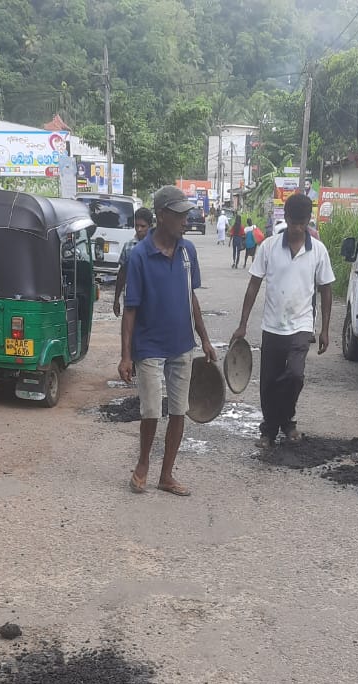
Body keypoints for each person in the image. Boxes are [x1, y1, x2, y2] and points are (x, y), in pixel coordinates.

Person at [119, 184, 217, 497]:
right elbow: (130, 309)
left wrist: (205, 339)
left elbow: (191, 297)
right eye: (180, 215)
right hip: (148, 346)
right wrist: (125, 356)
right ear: (162, 215)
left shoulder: (187, 251)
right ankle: (143, 464)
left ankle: (166, 475)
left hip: (182, 344)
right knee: (151, 410)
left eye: (187, 215)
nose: (186, 221)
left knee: (178, 410)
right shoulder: (139, 256)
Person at [231, 193, 334, 447]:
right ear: (285, 218)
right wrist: (243, 324)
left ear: (308, 221)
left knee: (295, 375)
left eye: (302, 223)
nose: (297, 228)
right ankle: (269, 431)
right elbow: (253, 285)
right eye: (293, 222)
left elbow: (326, 290)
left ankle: (287, 420)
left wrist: (325, 329)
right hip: (272, 325)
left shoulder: (318, 251)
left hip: (301, 326)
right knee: (269, 381)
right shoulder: (269, 247)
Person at [113, 206, 153, 317]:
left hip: (152, 299)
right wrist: (116, 299)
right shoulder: (128, 247)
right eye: (136, 226)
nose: (139, 229)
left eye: (143, 226)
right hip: (132, 298)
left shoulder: (156, 247)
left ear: (150, 226)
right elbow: (122, 274)